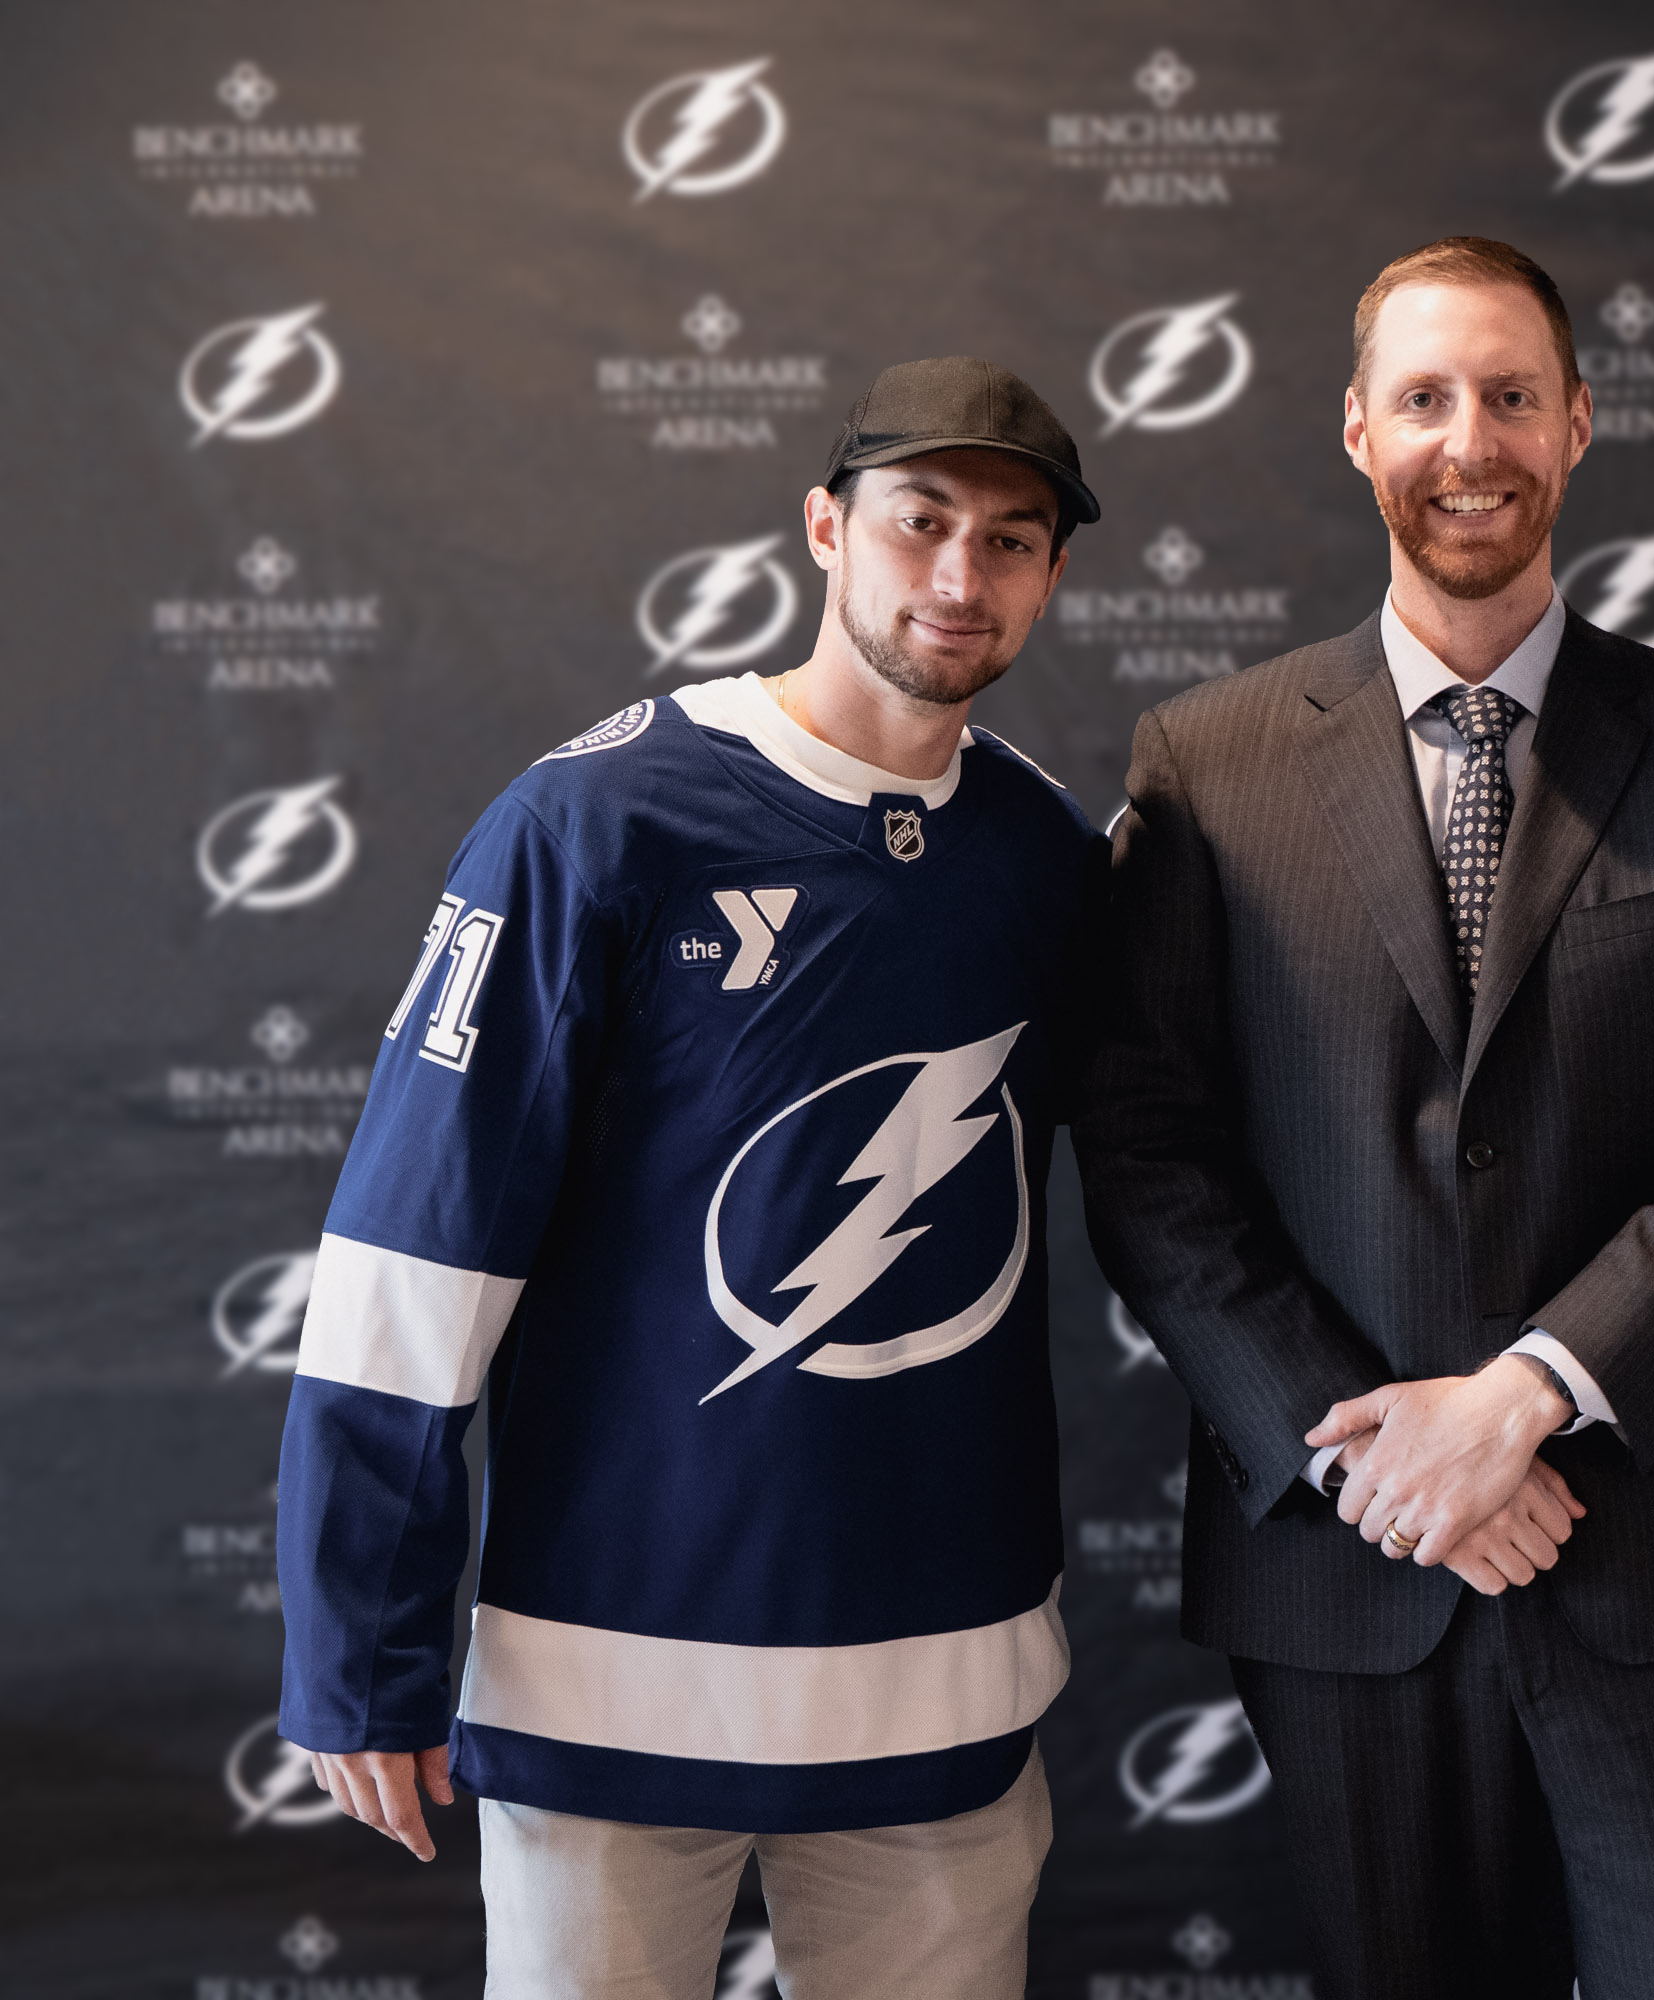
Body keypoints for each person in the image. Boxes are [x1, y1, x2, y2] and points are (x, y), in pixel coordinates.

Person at [1073, 236, 1654, 1999]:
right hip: (1352, 1583)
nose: (1470, 438)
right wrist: (1374, 1461)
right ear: (1358, 430)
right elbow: (1148, 1156)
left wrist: (1524, 1402)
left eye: (1512, 395)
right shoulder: (1209, 765)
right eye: (1425, 397)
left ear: (1579, 424)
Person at [273, 358, 1106, 1998]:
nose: (960, 576)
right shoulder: (596, 821)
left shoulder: (1045, 854)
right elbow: (415, 1252)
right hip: (614, 1689)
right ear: (823, 529)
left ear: (1053, 575)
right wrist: (358, 1649)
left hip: (941, 1697)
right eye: (919, 522)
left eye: (1011, 540)